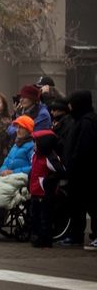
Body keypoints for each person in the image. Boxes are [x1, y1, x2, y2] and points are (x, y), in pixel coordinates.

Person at [61, 90, 97, 249]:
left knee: (91, 205)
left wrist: (74, 164)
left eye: (71, 103)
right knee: (76, 206)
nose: (69, 107)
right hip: (76, 172)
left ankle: (93, 235)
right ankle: (76, 235)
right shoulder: (78, 120)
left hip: (85, 173)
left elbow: (84, 148)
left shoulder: (88, 122)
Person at [28, 127, 65, 248]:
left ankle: (45, 238)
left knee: (45, 217)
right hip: (35, 191)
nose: (33, 145)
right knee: (35, 216)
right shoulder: (35, 155)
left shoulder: (49, 157)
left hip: (44, 193)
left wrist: (48, 180)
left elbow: (61, 171)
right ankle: (36, 235)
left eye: (35, 142)